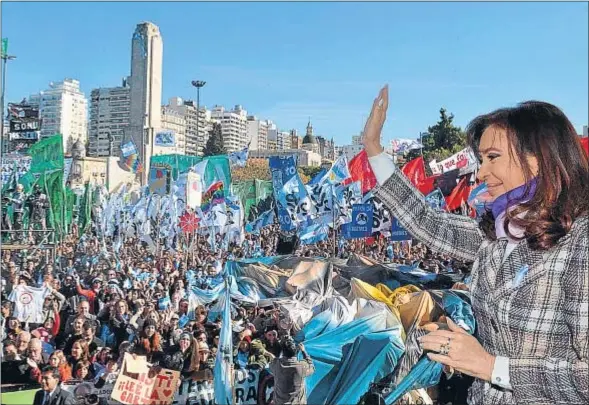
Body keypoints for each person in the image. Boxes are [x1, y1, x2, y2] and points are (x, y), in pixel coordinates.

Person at [362, 85, 588, 405]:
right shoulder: (495, 235)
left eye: (492, 158)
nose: (481, 172)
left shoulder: (580, 243)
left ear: (537, 160)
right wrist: (373, 148)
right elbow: (426, 221)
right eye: (480, 159)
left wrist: (489, 366)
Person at [269, 338, 315, 405]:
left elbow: (272, 362)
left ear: (283, 353)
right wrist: (304, 351)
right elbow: (312, 367)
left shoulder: (276, 365)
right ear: (296, 352)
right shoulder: (301, 366)